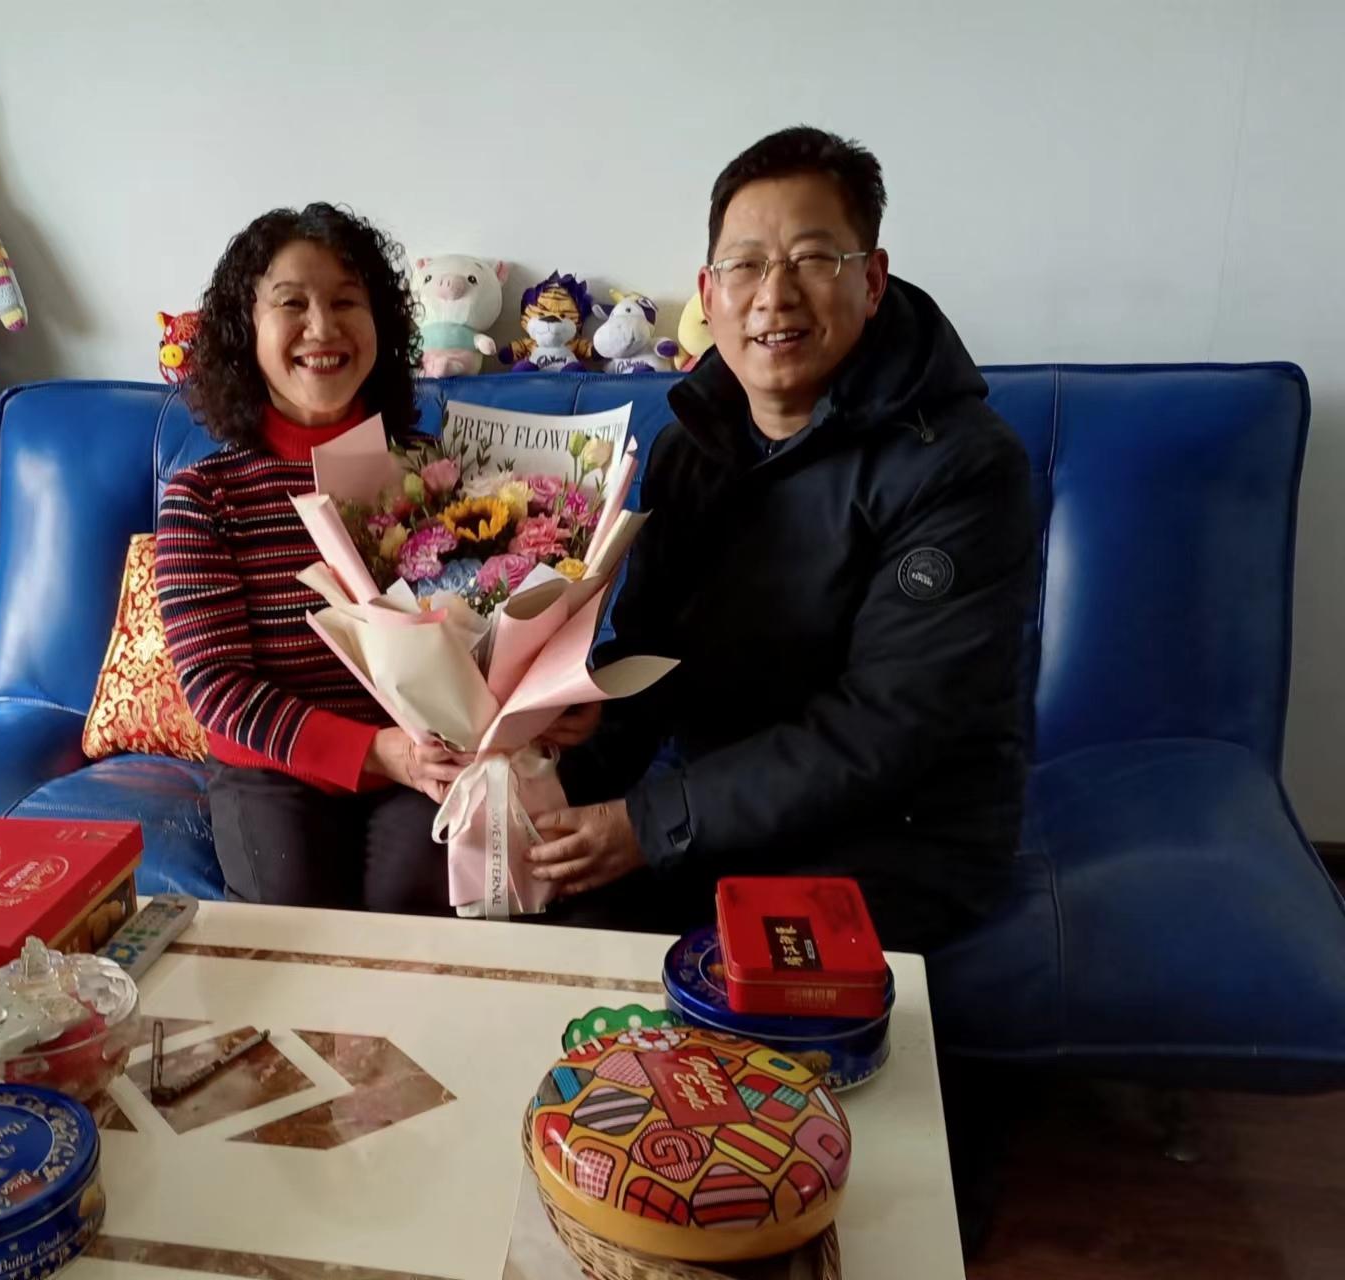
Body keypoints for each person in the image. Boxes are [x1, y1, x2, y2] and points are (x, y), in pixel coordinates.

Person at [528, 127, 1037, 954]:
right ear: (709, 290)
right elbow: (651, 653)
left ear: (871, 280)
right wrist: (548, 763)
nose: (775, 295)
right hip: (723, 815)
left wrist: (648, 824)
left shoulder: (963, 466)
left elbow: (887, 728)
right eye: (745, 265)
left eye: (812, 259)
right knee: (537, 915)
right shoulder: (689, 446)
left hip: (896, 839)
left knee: (733, 980)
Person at [155, 203, 453, 914]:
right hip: (274, 769)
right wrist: (374, 751)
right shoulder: (205, 497)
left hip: (423, 760)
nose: (323, 328)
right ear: (245, 331)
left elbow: (484, 633)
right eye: (292, 304)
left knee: (418, 904)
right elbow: (216, 688)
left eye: (347, 302)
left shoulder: (432, 473)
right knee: (295, 918)